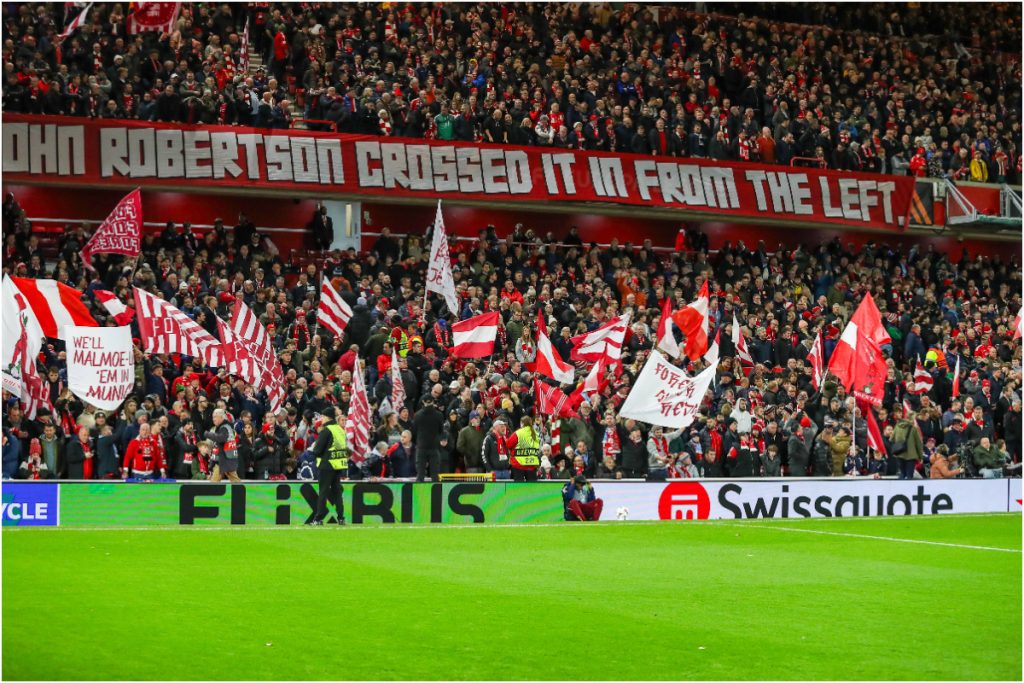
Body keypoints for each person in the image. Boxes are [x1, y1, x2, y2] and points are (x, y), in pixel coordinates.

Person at [308, 411, 349, 525]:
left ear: (327, 417)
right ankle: (341, 518)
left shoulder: (326, 430)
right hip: (337, 464)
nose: (321, 418)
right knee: (337, 492)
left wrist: (313, 451)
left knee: (323, 492)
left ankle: (318, 518)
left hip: (326, 465)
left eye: (322, 416)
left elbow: (317, 450)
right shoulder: (340, 429)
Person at [411, 396, 444, 482]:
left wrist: (417, 442)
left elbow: (414, 432)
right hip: (434, 447)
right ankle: (437, 494)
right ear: (433, 402)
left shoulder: (417, 415)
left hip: (421, 446)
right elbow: (441, 431)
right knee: (435, 475)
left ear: (423, 402)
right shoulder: (439, 415)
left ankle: (419, 494)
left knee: (420, 475)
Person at [205, 409, 241, 483]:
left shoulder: (224, 427)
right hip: (224, 458)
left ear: (221, 417)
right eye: (212, 417)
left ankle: (245, 493)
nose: (213, 419)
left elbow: (221, 438)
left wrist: (208, 434)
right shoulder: (226, 427)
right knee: (216, 481)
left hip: (225, 459)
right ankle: (244, 492)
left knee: (233, 480)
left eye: (215, 417)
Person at [505, 416, 541, 481]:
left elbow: (508, 444)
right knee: (531, 489)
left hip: (518, 464)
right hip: (532, 464)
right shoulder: (536, 433)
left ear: (522, 423)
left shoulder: (518, 433)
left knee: (518, 488)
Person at [891, 409, 924, 480]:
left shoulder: (897, 426)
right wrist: (920, 457)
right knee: (909, 476)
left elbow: (892, 439)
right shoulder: (913, 429)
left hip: (899, 453)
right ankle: (907, 491)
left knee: (902, 474)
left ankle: (899, 490)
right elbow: (918, 444)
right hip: (911, 456)